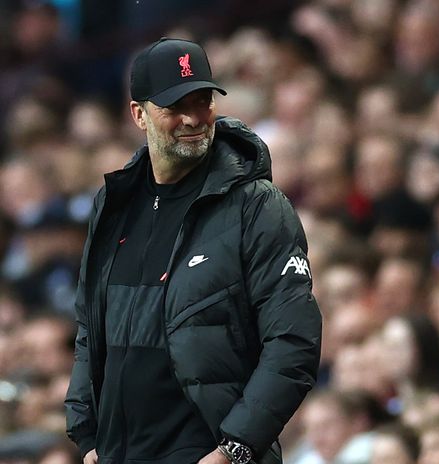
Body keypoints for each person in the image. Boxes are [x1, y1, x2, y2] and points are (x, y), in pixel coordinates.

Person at [64, 38, 323, 464]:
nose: (192, 118)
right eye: (173, 107)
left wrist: (235, 449)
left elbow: (293, 340)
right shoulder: (113, 205)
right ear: (138, 115)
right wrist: (87, 436)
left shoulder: (256, 205)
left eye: (202, 101)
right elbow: (90, 327)